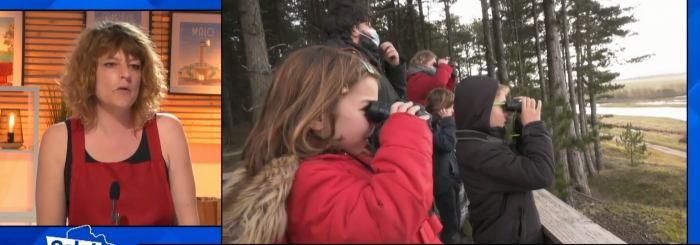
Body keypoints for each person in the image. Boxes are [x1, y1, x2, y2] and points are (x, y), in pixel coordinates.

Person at [221, 46, 442, 244]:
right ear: (318, 117)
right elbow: (389, 221)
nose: (376, 119)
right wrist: (407, 135)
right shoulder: (307, 182)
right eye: (367, 108)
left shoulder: (349, 161)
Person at [35, 21, 199, 226]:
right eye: (111, 64)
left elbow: (190, 230)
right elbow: (51, 237)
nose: (126, 75)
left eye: (134, 66)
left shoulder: (167, 131)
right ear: (88, 73)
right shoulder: (58, 140)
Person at [453, 76, 555, 244]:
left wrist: (521, 127)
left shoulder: (479, 143)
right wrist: (534, 126)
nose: (507, 111)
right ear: (482, 110)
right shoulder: (479, 153)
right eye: (502, 105)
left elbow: (517, 160)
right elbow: (542, 173)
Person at [324, 2, 406, 150]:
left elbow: (390, 98)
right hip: (364, 149)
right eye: (369, 25)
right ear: (355, 29)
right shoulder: (345, 61)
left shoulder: (360, 58)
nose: (374, 31)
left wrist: (394, 67)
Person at [424, 88, 462, 244]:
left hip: (449, 180)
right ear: (442, 108)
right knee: (450, 223)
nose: (453, 111)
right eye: (450, 107)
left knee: (455, 218)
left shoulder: (438, 126)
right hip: (443, 183)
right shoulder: (430, 128)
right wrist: (448, 121)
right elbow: (447, 144)